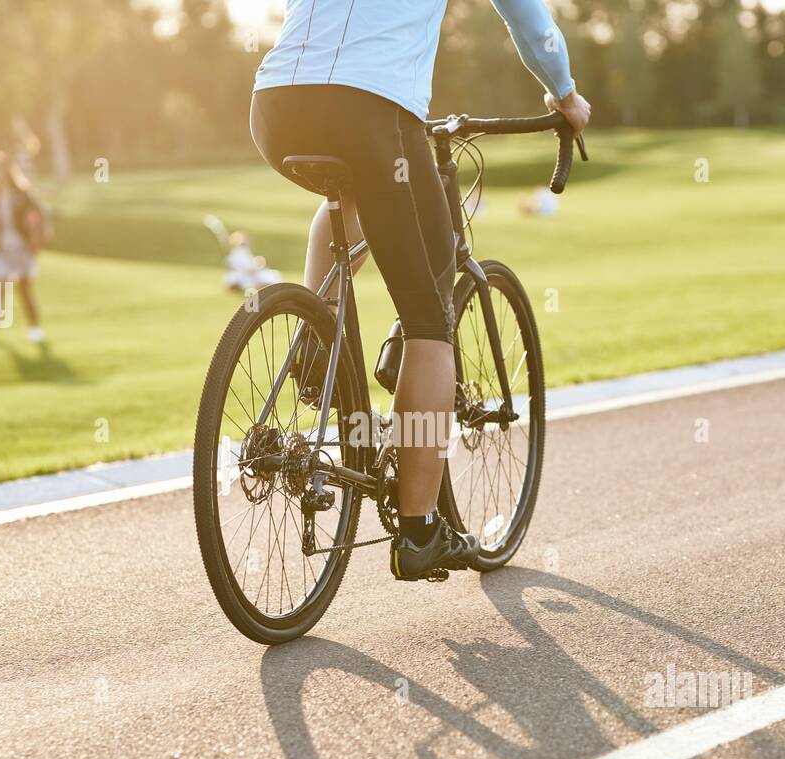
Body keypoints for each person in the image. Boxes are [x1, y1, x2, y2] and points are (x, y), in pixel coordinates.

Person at [249, 0, 590, 582]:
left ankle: (316, 341)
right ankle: (420, 531)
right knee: (432, 324)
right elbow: (529, 20)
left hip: (276, 104)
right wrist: (564, 94)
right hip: (372, 109)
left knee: (350, 198)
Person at [0, 150, 48, 344]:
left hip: (21, 248)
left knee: (24, 289)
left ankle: (34, 328)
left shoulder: (21, 195)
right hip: (1, 250)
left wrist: (35, 238)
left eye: (2, 168)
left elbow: (35, 215)